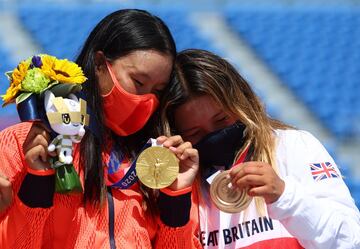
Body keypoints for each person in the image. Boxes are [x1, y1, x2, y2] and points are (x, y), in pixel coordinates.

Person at [0, 10, 200, 249]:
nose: (146, 99)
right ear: (99, 64)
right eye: (138, 82)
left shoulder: (156, 158)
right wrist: (37, 185)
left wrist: (175, 203)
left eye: (157, 90)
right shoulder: (25, 143)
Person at [160, 49, 360, 248]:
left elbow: (350, 241)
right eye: (195, 133)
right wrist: (176, 201)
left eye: (221, 120)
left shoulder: (292, 146)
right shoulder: (181, 183)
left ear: (241, 103)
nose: (213, 136)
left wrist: (284, 196)